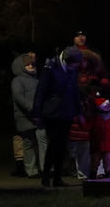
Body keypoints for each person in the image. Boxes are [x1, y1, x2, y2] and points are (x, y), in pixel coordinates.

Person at [32, 47, 85, 187]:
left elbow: (74, 91)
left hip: (66, 111)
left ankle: (56, 177)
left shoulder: (71, 70)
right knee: (54, 143)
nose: (76, 66)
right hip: (52, 111)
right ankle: (47, 174)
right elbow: (41, 90)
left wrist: (79, 111)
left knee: (61, 145)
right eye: (74, 63)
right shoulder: (50, 68)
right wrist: (37, 113)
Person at [11, 52, 47, 179]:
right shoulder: (18, 80)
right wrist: (32, 107)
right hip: (25, 116)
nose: (31, 66)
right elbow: (19, 97)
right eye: (28, 64)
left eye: (32, 64)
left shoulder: (37, 80)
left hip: (38, 115)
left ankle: (45, 167)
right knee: (28, 143)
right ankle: (31, 170)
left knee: (42, 139)